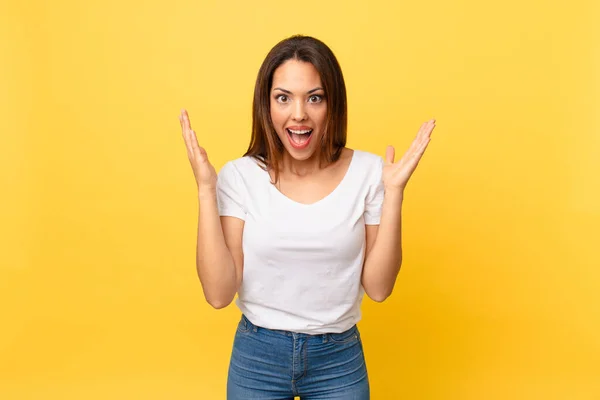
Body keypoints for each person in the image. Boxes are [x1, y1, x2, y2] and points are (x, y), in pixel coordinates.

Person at [179, 35, 436, 400]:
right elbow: (219, 294)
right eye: (283, 97)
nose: (298, 113)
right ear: (266, 105)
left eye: (314, 97)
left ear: (333, 104)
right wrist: (206, 189)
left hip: (338, 359)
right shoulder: (240, 177)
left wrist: (394, 193)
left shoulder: (369, 172)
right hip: (258, 357)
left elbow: (379, 289)